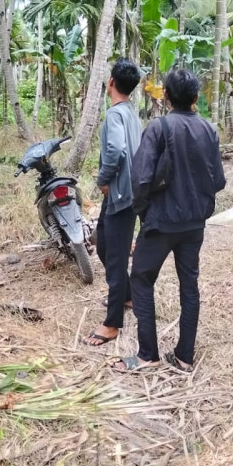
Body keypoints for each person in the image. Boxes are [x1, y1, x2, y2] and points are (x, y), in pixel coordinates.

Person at [114, 69, 226, 372]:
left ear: (166, 97)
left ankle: (147, 354)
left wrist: (144, 214)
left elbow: (141, 179)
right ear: (195, 98)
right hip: (194, 225)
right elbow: (218, 181)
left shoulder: (158, 128)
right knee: (189, 285)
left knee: (140, 279)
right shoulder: (209, 129)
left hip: (161, 223)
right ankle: (184, 356)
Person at [84, 58, 142, 347]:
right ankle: (127, 295)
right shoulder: (131, 113)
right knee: (105, 244)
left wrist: (103, 179)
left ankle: (112, 323)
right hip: (124, 193)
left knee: (116, 255)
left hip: (119, 194)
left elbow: (116, 150)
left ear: (111, 83)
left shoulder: (115, 115)